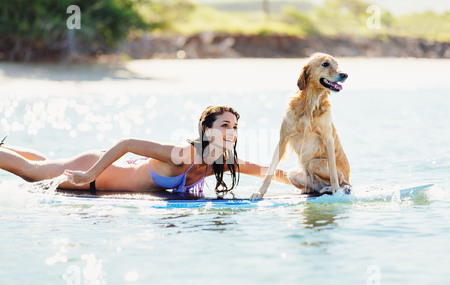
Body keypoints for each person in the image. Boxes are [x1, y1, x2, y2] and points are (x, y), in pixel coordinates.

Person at [0, 106, 290, 194]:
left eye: (235, 127)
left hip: (105, 175)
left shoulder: (221, 162)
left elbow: (264, 171)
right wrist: (89, 173)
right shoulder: (185, 154)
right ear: (207, 131)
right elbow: (127, 143)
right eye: (225, 125)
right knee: (29, 171)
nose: (232, 132)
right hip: (97, 175)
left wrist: (317, 184)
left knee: (44, 163)